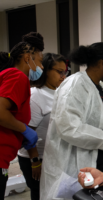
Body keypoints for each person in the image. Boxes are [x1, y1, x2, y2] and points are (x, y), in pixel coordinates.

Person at [40, 42, 103, 200]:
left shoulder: (98, 87)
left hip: (98, 164)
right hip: (74, 167)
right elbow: (68, 127)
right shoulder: (75, 85)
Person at [0, 32, 44, 199]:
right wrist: (24, 129)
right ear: (27, 58)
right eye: (39, 62)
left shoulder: (9, 75)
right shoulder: (18, 76)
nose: (40, 68)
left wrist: (19, 133)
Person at [17, 53, 67, 200]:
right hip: (36, 159)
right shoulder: (36, 96)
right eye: (59, 72)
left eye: (65, 72)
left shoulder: (58, 92)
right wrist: (35, 161)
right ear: (45, 70)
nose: (63, 76)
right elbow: (27, 132)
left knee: (53, 193)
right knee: (40, 194)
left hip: (53, 156)